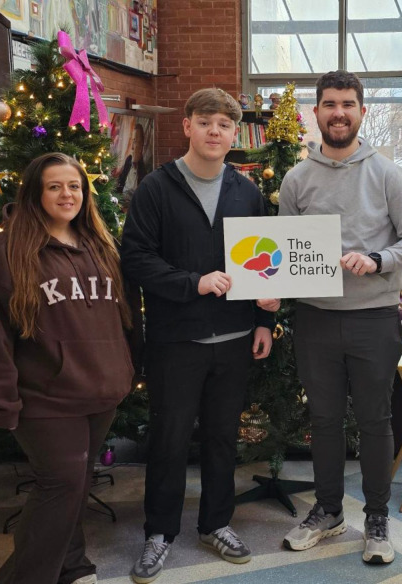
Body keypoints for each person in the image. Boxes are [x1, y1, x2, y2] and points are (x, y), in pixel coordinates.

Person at [121, 88, 279, 583]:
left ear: (235, 134)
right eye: (206, 122)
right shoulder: (156, 188)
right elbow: (137, 259)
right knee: (168, 442)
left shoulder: (245, 191)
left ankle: (216, 524)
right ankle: (159, 533)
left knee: (221, 440)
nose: (216, 132)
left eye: (225, 125)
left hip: (234, 339)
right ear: (187, 125)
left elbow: (264, 263)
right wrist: (194, 283)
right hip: (176, 340)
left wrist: (264, 319)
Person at [278, 70, 402, 565]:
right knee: (323, 420)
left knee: (374, 420)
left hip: (373, 318)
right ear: (316, 112)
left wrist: (380, 259)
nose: (338, 112)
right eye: (328, 104)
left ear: (362, 112)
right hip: (316, 320)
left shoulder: (388, 173)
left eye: (347, 103)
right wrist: (269, 290)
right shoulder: (297, 179)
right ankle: (327, 511)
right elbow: (282, 251)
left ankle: (378, 518)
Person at [0, 152, 135, 584]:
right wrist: (2, 400)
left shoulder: (100, 244)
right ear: (35, 193)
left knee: (77, 484)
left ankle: (72, 564)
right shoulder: (8, 249)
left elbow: (122, 317)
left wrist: (124, 371)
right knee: (59, 486)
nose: (67, 194)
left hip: (101, 391)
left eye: (75, 186)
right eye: (55, 186)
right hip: (45, 395)